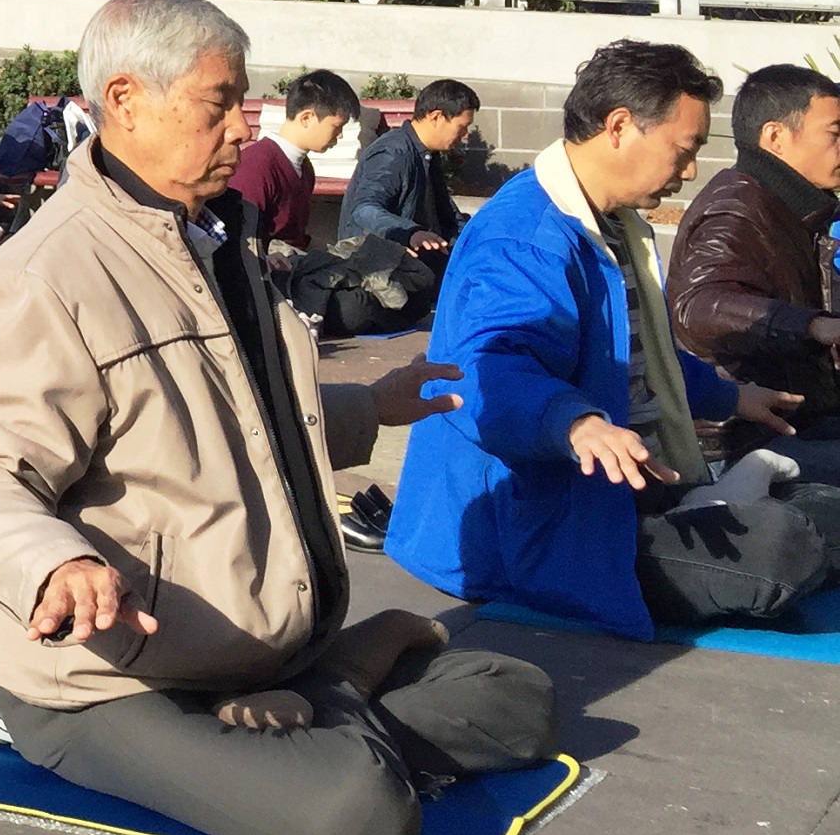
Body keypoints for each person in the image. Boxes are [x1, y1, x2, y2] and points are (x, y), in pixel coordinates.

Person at [0, 0, 553, 835]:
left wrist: (370, 406)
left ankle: (323, 697)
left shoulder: (215, 240)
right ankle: (327, 705)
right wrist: (53, 565)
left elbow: (240, 421)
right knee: (354, 815)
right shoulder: (45, 280)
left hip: (266, 653)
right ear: (125, 101)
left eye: (242, 107)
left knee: (518, 698)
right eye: (219, 107)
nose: (240, 132)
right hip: (120, 680)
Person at [389, 41, 838, 635]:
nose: (689, 171)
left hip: (627, 494)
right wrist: (575, 424)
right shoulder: (524, 237)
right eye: (685, 150)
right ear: (620, 126)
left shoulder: (613, 223)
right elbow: (484, 371)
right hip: (541, 527)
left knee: (822, 503)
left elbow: (634, 355)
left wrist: (732, 396)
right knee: (785, 550)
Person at [667, 63, 840, 479]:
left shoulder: (797, 207)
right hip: (739, 442)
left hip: (798, 423)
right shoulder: (738, 208)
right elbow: (698, 305)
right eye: (835, 135)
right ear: (775, 137)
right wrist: (812, 326)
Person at [340, 80, 478, 278]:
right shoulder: (393, 152)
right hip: (379, 270)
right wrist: (410, 233)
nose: (465, 135)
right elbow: (364, 209)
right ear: (436, 117)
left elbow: (448, 216)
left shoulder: (428, 155)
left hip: (415, 261)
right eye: (462, 127)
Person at [233, 70, 361, 253]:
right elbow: (239, 239)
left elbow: (297, 239)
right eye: (336, 126)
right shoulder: (256, 166)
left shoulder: (305, 168)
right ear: (306, 118)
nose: (340, 135)